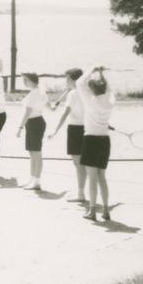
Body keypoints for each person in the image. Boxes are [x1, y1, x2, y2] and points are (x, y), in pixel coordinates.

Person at [76, 66, 115, 221]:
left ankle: (92, 211)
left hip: (91, 139)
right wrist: (102, 74)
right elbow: (109, 89)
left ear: (92, 89)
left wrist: (92, 69)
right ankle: (105, 210)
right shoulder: (110, 101)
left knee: (92, 177)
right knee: (102, 177)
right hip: (105, 140)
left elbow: (79, 82)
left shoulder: (90, 101)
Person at [48, 68, 87, 203]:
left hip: (75, 129)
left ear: (74, 80)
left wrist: (55, 131)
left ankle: (81, 194)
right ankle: (81, 192)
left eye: (67, 79)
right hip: (87, 129)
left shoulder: (73, 94)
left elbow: (65, 114)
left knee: (78, 164)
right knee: (83, 164)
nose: (66, 82)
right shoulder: (86, 92)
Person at [15, 72, 47, 190]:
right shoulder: (39, 91)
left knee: (36, 154)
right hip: (37, 122)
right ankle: (32, 179)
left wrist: (20, 128)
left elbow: (27, 113)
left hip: (34, 123)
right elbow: (48, 105)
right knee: (33, 153)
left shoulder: (34, 94)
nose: (24, 82)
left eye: (26, 80)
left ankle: (37, 182)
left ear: (32, 80)